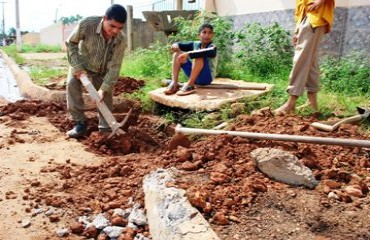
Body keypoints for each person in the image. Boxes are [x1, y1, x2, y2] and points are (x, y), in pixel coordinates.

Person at [65, 4, 127, 138]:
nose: (116, 31)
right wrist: (77, 67)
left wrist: (103, 89)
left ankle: (106, 127)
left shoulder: (121, 39)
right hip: (82, 64)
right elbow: (71, 43)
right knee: (72, 84)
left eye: (120, 28)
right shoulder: (87, 24)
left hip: (102, 69)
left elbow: (115, 67)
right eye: (112, 26)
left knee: (106, 93)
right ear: (105, 18)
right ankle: (79, 123)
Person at [274, 0, 335, 114]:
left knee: (300, 60)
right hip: (308, 17)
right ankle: (312, 103)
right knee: (311, 62)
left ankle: (291, 103)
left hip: (314, 17)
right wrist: (298, 30)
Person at [164, 23, 217, 96]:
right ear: (199, 35)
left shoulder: (212, 46)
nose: (207, 35)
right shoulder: (195, 44)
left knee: (199, 56)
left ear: (212, 35)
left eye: (210, 33)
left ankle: (190, 85)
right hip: (195, 76)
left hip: (206, 78)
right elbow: (180, 45)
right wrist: (175, 45)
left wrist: (188, 54)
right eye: (204, 32)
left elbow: (211, 52)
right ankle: (174, 83)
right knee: (177, 54)